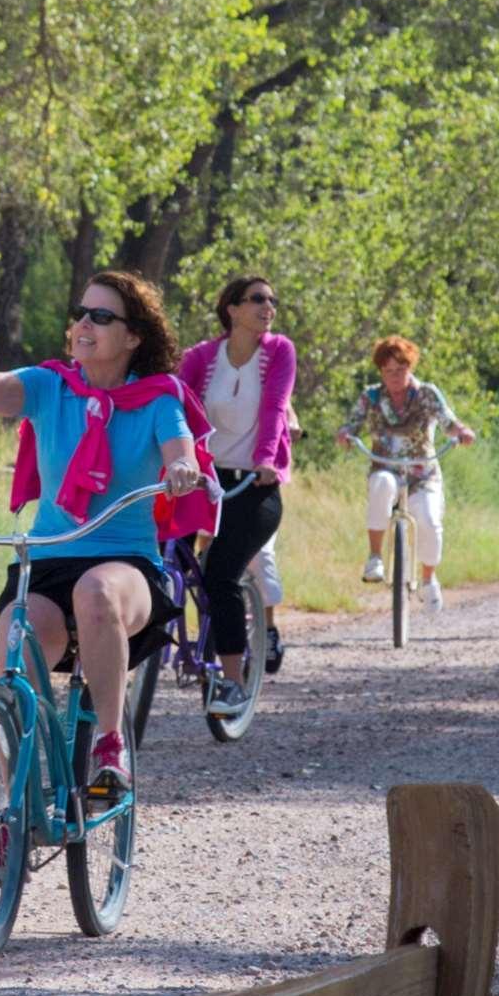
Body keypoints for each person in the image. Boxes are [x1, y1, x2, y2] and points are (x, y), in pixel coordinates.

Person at [0, 269, 202, 799]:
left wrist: (181, 470)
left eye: (101, 317)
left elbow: (182, 453)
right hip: (49, 560)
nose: (84, 323)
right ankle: (20, 798)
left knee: (96, 593)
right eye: (81, 313)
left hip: (125, 562)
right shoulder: (49, 386)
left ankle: (110, 743)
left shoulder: (159, 399)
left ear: (132, 337)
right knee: (17, 625)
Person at [177, 275, 296, 697]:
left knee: (221, 576)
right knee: (163, 562)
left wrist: (266, 460)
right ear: (232, 309)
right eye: (258, 299)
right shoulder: (200, 357)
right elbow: (177, 407)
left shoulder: (279, 351)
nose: (269, 307)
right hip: (200, 477)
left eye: (272, 300)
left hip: (252, 483)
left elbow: (275, 408)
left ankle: (233, 681)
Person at [338, 335, 474, 607]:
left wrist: (462, 432)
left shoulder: (427, 394)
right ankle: (375, 556)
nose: (395, 377)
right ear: (381, 372)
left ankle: (428, 579)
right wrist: (345, 434)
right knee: (381, 485)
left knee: (429, 519)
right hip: (385, 467)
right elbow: (352, 424)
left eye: (400, 370)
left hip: (422, 474)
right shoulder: (371, 396)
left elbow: (448, 422)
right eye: (388, 371)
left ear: (410, 368)